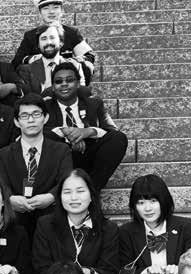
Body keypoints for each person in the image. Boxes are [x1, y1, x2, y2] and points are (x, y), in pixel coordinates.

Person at [32, 169, 118, 274]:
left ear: (91, 195)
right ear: (59, 197)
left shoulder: (108, 228)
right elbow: (40, 268)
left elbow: (110, 272)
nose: (73, 197)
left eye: (80, 191)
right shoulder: (45, 225)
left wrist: (89, 272)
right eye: (67, 192)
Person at [0, 94, 72, 234]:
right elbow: (0, 184)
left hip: (51, 215)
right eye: (24, 116)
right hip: (16, 218)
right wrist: (10, 199)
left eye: (36, 114)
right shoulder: (3, 154)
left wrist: (51, 197)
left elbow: (66, 180)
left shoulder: (62, 150)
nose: (31, 120)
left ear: (45, 118)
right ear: (17, 122)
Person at [44, 62, 128, 192]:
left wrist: (88, 132)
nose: (64, 84)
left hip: (89, 155)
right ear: (53, 87)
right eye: (58, 81)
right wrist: (65, 132)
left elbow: (112, 130)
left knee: (118, 138)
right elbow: (36, 132)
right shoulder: (45, 106)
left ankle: (91, 190)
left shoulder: (94, 103)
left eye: (69, 80)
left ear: (78, 84)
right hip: (61, 157)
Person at [11, 0, 96, 84]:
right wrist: (33, 59)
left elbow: (89, 55)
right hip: (40, 79)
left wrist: (68, 61)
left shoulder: (71, 33)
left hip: (66, 77)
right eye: (46, 8)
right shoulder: (31, 35)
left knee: (87, 65)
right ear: (40, 13)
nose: (51, 12)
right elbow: (17, 62)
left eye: (55, 7)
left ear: (62, 10)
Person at [17, 24, 71, 96]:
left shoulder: (75, 66)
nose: (48, 42)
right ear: (38, 45)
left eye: (52, 37)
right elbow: (28, 98)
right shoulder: (26, 71)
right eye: (44, 39)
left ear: (61, 42)